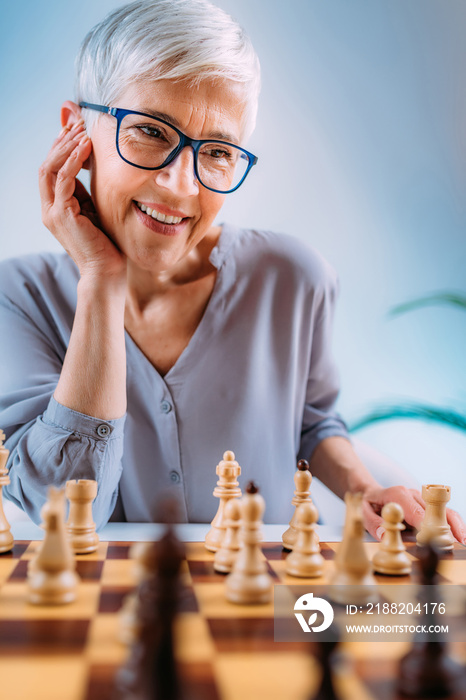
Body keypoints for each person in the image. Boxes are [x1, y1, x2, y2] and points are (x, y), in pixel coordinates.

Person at [0, 0, 464, 541]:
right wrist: (100, 282)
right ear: (74, 133)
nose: (180, 186)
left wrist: (365, 489)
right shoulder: (18, 297)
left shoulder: (294, 277)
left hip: (263, 609)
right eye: (150, 132)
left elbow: (313, 423)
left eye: (217, 151)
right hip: (105, 616)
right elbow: (65, 508)